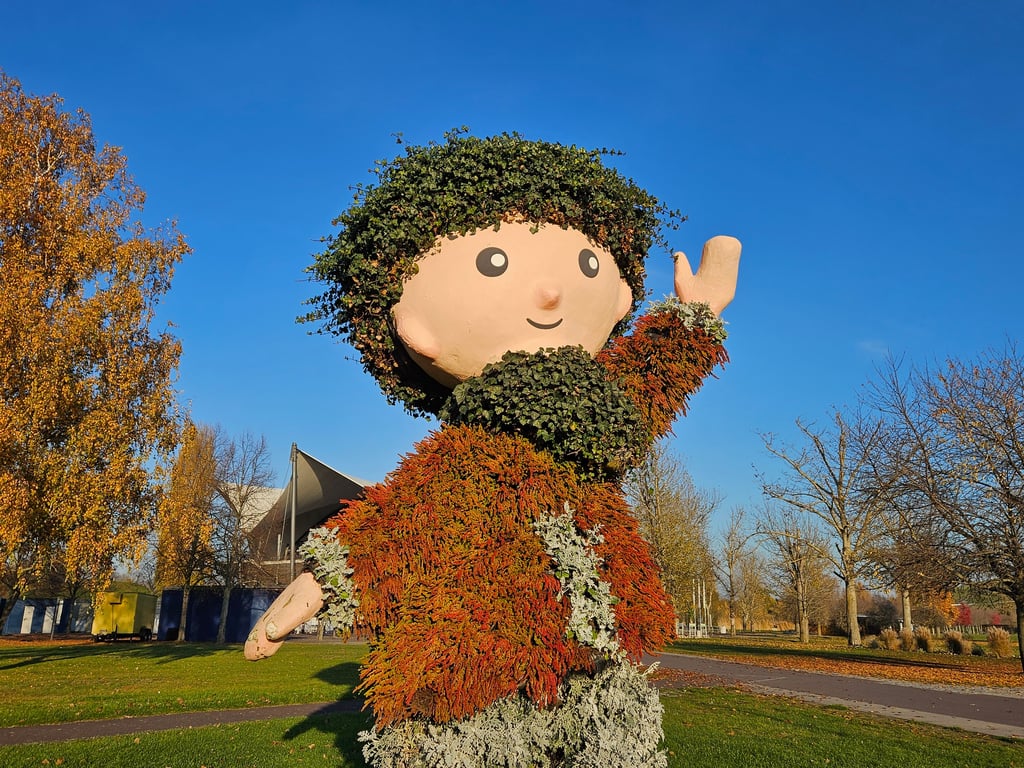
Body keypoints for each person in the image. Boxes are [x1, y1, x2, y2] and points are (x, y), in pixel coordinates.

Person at [245, 132, 740, 767]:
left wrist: (691, 319)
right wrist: (321, 581)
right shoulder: (466, 459)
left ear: (619, 297)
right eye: (494, 262)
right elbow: (407, 518)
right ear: (413, 330)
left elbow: (648, 382)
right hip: (483, 664)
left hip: (595, 665)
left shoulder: (603, 421)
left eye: (587, 265)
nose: (551, 294)